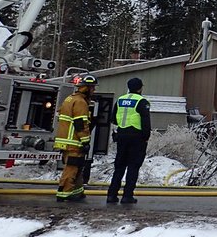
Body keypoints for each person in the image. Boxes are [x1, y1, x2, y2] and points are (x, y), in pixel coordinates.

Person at [106, 77, 151, 205]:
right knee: (133, 167)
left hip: (121, 136)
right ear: (140, 88)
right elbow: (145, 121)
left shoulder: (120, 100)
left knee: (119, 166)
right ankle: (127, 196)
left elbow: (113, 119)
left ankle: (111, 195)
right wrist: (146, 136)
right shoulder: (142, 102)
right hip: (136, 137)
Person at [54, 74, 97, 203]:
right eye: (92, 88)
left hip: (66, 140)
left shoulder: (69, 99)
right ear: (86, 88)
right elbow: (80, 123)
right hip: (74, 141)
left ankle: (77, 191)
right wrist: (85, 141)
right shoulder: (80, 102)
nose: (94, 91)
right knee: (72, 167)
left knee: (77, 166)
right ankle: (64, 192)